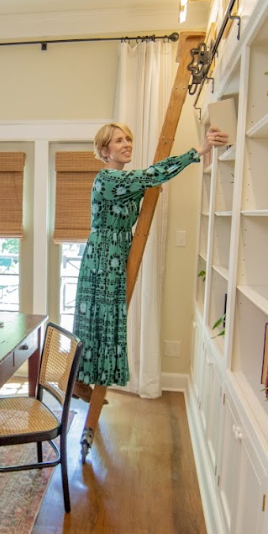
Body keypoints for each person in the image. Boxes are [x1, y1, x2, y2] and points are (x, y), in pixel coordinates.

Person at [74, 123, 229, 388]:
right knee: (102, 317)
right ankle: (82, 379)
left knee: (109, 317)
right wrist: (199, 150)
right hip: (103, 254)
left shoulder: (123, 181)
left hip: (114, 250)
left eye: (128, 139)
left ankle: (88, 379)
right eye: (119, 141)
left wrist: (151, 185)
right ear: (104, 151)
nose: (127, 144)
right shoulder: (109, 179)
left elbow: (149, 179)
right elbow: (152, 175)